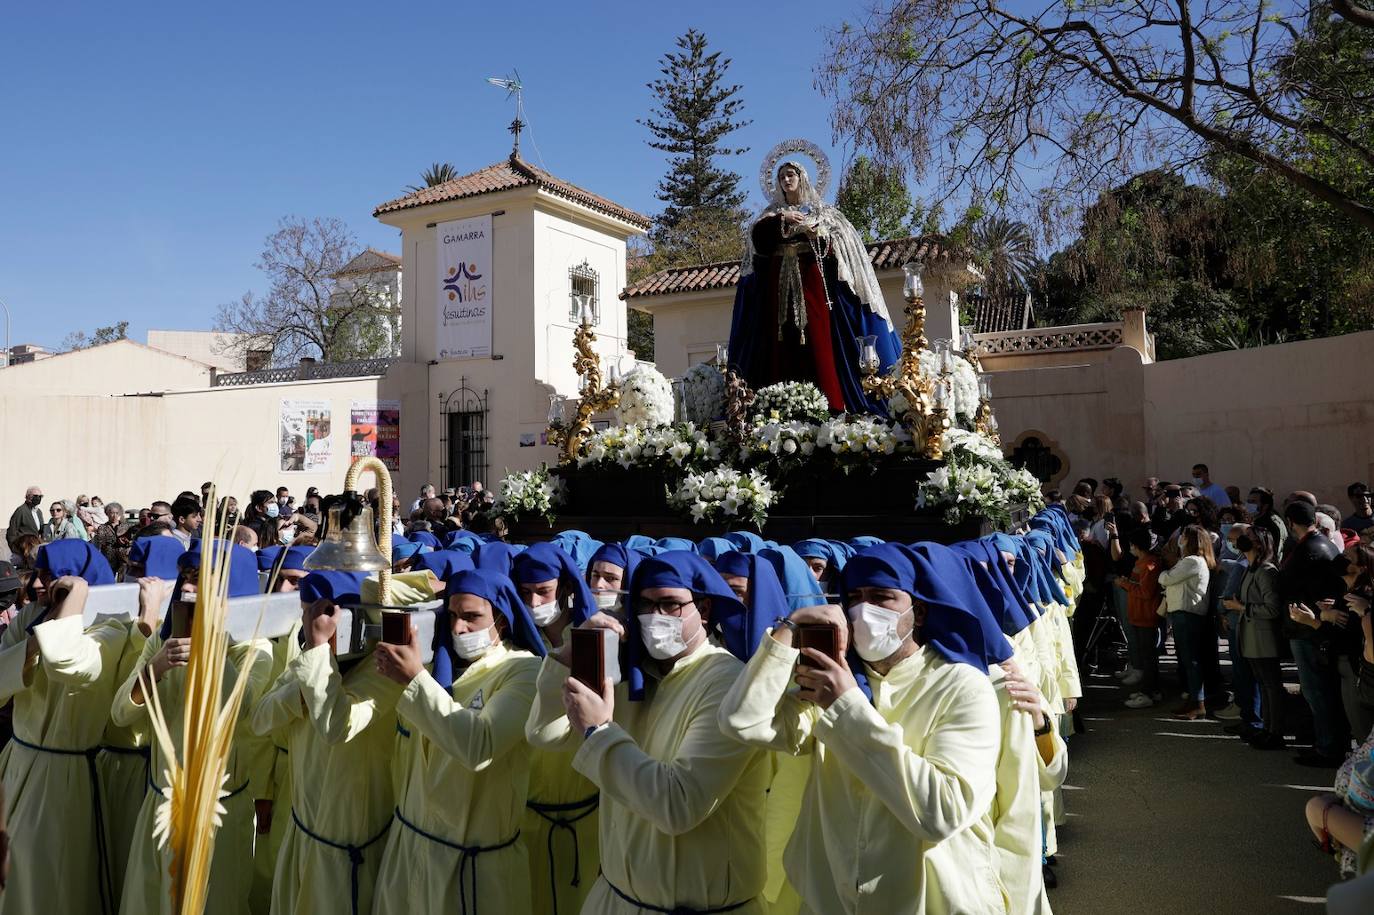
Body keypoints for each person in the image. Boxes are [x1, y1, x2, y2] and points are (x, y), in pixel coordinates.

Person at [717, 542, 1005, 914]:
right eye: (855, 597)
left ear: (917, 612)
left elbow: (941, 812)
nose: (864, 609)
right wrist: (790, 629)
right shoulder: (833, 680)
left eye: (882, 597)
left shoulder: (962, 686)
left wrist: (848, 707)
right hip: (831, 899)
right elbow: (742, 722)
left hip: (932, 901)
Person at [527, 551, 768, 914]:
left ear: (702, 609)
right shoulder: (630, 671)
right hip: (616, 898)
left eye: (670, 605)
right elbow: (544, 735)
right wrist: (567, 655)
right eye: (645, 604)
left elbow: (677, 805)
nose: (655, 617)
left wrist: (599, 732)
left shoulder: (727, 682)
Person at [370, 568, 546, 915]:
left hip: (473, 872)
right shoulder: (437, 666)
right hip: (408, 852)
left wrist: (414, 680)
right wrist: (427, 584)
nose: (457, 628)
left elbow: (477, 746)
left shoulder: (523, 671)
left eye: (471, 617)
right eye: (451, 615)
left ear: (502, 621)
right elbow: (373, 589)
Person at [113, 541, 272, 915]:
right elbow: (121, 714)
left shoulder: (256, 649)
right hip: (161, 806)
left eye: (200, 582)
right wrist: (156, 667)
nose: (188, 589)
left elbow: (243, 709)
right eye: (186, 579)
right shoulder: (163, 640)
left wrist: (212, 647)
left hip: (219, 816)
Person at [251, 570, 401, 915]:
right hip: (301, 837)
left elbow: (336, 726)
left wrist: (319, 652)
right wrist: (300, 691)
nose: (308, 627)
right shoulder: (308, 663)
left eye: (315, 617)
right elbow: (259, 720)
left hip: (348, 852)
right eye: (306, 617)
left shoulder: (383, 673)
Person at [728, 157, 901, 415]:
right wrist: (783, 220)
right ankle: (778, 406)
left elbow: (838, 248)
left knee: (818, 337)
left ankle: (829, 405)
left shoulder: (824, 213)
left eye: (790, 175)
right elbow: (758, 242)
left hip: (813, 283)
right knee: (779, 341)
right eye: (782, 176)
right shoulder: (769, 215)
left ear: (802, 178)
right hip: (777, 288)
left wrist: (816, 234)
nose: (786, 180)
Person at [511, 543, 601, 915]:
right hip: (526, 809)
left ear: (564, 588)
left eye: (543, 591)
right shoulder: (512, 641)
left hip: (584, 811)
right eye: (525, 593)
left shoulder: (591, 639)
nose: (534, 601)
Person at [1281, 500, 1350, 767]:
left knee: (1316, 690)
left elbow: (1301, 587)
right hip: (1309, 625)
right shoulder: (1323, 544)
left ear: (1290, 522)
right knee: (1319, 690)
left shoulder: (1311, 549)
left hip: (1307, 628)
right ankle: (1327, 743)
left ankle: (1328, 748)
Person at [1224, 528, 1287, 749]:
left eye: (1249, 538)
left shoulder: (1266, 571)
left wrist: (1240, 607)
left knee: (1271, 686)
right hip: (1251, 637)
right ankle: (1267, 729)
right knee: (1263, 684)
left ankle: (1275, 732)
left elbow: (1273, 609)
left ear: (1259, 544)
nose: (1242, 541)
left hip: (1263, 639)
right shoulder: (1251, 569)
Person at [1159, 524, 1215, 720]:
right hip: (1183, 613)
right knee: (1186, 660)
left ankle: (1198, 702)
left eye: (1183, 536)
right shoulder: (1189, 561)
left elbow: (1166, 578)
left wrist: (1165, 575)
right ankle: (1193, 699)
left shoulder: (1192, 561)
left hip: (1187, 614)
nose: (1179, 538)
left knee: (1191, 660)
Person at [1120, 527, 1164, 709]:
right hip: (1138, 615)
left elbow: (1145, 592)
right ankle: (1150, 690)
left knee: (1149, 657)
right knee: (1146, 655)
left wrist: (1124, 583)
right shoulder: (1142, 562)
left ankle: (1148, 693)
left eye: (1131, 544)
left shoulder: (1150, 564)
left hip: (1147, 616)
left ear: (1138, 546)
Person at [92, 502, 132, 575]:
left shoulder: (126, 527)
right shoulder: (102, 527)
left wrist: (127, 542)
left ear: (120, 514)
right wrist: (117, 541)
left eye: (117, 513)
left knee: (122, 582)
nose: (114, 516)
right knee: (109, 582)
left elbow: (131, 540)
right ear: (107, 514)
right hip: (109, 559)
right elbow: (101, 541)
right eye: (112, 513)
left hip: (123, 560)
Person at [5, 488, 44, 554]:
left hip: (35, 547)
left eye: (40, 496)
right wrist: (14, 549)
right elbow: (11, 531)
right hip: (24, 548)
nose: (38, 498)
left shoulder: (38, 511)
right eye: (35, 496)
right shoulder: (21, 510)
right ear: (27, 496)